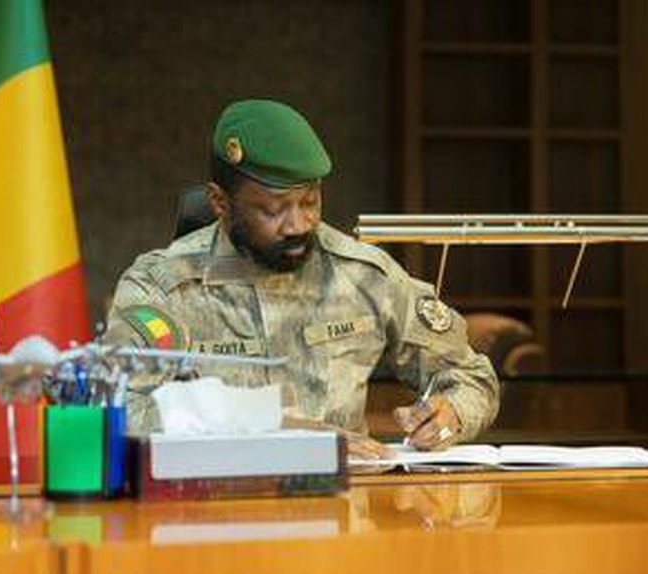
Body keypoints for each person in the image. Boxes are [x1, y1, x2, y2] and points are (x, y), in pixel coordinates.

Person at [105, 99, 499, 457]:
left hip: (344, 504)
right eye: (273, 209)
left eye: (310, 201)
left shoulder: (364, 276)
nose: (298, 225)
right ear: (220, 203)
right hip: (217, 502)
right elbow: (117, 410)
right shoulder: (163, 287)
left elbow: (471, 376)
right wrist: (272, 431)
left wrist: (451, 414)